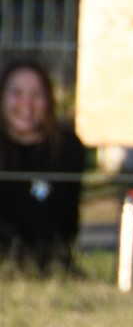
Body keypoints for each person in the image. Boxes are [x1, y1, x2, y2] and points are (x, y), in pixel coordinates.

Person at [0, 60, 85, 274]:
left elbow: (66, 221)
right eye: (16, 93)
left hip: (48, 261)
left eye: (36, 95)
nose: (26, 105)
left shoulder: (67, 148)